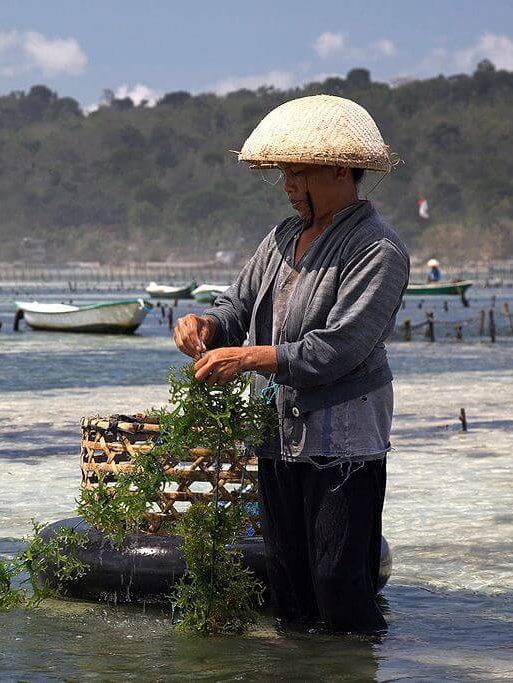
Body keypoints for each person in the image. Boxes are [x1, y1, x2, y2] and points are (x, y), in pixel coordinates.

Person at [172, 95, 409, 634]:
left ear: (340, 172)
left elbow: (340, 348)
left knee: (339, 586)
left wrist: (250, 357)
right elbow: (236, 305)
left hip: (343, 441)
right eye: (283, 174)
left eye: (297, 174)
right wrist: (207, 327)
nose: (287, 187)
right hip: (278, 433)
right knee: (290, 585)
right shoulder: (282, 238)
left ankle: (352, 669)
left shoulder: (377, 249)